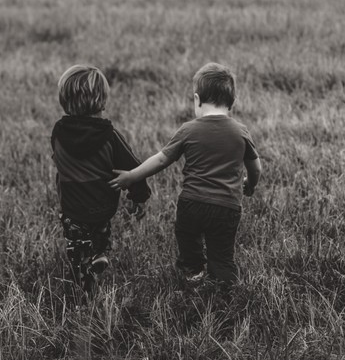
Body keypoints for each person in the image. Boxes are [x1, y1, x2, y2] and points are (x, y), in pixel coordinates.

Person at [110, 63, 261, 287]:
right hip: (227, 207)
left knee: (188, 241)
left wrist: (132, 176)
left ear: (197, 99)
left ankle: (193, 272)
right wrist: (250, 184)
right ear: (233, 103)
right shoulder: (241, 131)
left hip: (192, 204)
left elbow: (161, 159)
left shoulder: (188, 129)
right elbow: (256, 167)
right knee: (222, 251)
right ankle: (225, 282)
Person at [51, 64, 150, 293]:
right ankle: (99, 253)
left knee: (77, 246)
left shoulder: (58, 132)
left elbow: (57, 158)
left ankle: (83, 278)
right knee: (100, 231)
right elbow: (133, 167)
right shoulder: (109, 135)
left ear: (64, 100)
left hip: (73, 207)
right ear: (102, 101)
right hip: (102, 204)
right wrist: (139, 196)